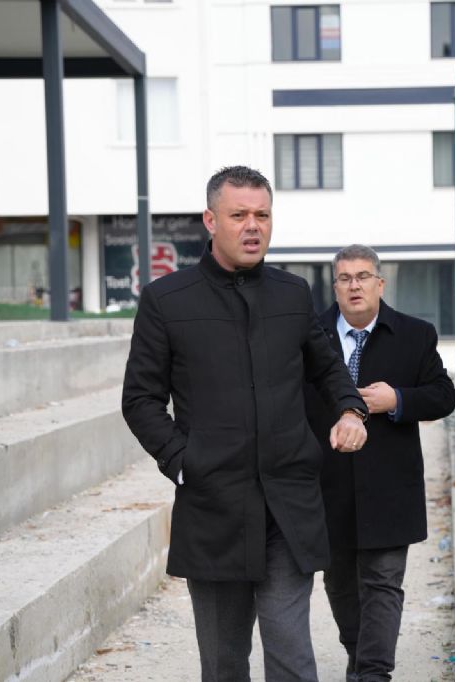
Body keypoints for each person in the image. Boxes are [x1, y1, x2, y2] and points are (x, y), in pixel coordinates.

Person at [121, 166, 369, 682]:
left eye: (263, 215)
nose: (253, 226)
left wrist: (351, 410)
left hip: (288, 505)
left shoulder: (293, 294)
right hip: (214, 507)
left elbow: (327, 369)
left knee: (292, 657)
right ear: (211, 220)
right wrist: (184, 463)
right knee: (224, 664)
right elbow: (140, 399)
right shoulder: (166, 300)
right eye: (239, 215)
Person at [305, 244, 455, 682]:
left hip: (390, 485)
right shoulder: (309, 337)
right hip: (327, 483)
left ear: (380, 283)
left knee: (383, 583)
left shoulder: (414, 334)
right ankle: (359, 657)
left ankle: (373, 673)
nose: (354, 286)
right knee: (339, 584)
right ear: (335, 287)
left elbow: (443, 396)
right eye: (345, 278)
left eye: (363, 277)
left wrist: (398, 400)